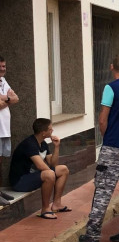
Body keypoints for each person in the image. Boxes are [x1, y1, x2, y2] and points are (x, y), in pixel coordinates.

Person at [79, 54, 119, 242]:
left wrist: (107, 138)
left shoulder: (111, 88)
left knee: (103, 191)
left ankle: (92, 235)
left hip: (113, 147)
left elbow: (102, 119)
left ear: (111, 67)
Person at [9, 118, 70, 219]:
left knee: (63, 169)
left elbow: (53, 164)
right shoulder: (29, 144)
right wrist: (52, 175)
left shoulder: (43, 143)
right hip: (20, 181)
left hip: (33, 176)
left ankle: (56, 204)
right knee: (49, 174)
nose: (52, 131)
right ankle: (45, 209)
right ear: (43, 132)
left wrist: (57, 147)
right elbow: (40, 166)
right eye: (50, 129)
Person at [0, 55, 19, 205]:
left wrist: (5, 98)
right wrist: (8, 99)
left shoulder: (3, 81)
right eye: (0, 66)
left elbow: (16, 98)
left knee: (1, 160)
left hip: (4, 129)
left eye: (4, 66)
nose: (2, 69)